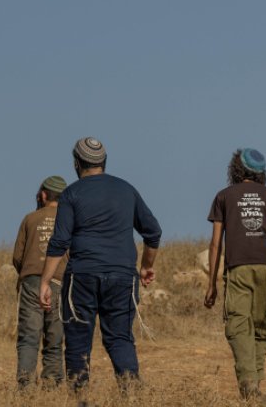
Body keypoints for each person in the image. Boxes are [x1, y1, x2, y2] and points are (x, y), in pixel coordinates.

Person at [39, 137, 162, 392]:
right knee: (120, 339)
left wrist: (45, 281)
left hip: (81, 276)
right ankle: (134, 396)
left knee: (78, 342)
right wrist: (147, 266)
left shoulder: (71, 193)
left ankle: (80, 397)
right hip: (122, 276)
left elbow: (60, 241)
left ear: (76, 163)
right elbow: (153, 232)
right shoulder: (127, 190)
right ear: (104, 162)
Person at [203, 148, 266, 401]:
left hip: (238, 268)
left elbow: (215, 244)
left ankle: (249, 384)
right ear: (261, 172)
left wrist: (211, 284)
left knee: (238, 326)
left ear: (235, 169)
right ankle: (254, 386)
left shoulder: (224, 196)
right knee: (261, 328)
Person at [12, 175, 68, 388]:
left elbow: (17, 256)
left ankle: (25, 385)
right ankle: (52, 383)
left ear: (43, 195)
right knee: (55, 338)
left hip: (32, 282)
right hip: (58, 282)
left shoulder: (30, 219)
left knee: (29, 337)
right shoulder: (68, 219)